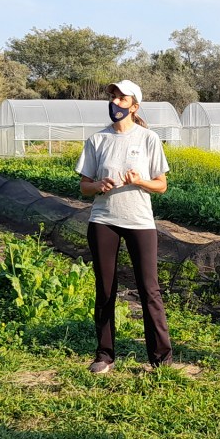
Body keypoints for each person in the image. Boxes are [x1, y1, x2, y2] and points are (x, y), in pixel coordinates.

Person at [75, 80, 172, 373]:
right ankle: (104, 355)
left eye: (121, 98)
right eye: (113, 97)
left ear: (134, 106)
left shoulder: (148, 139)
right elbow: (83, 187)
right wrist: (98, 185)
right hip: (103, 221)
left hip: (139, 222)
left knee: (149, 288)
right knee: (105, 289)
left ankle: (160, 358)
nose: (115, 102)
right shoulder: (97, 141)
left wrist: (140, 181)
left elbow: (162, 185)